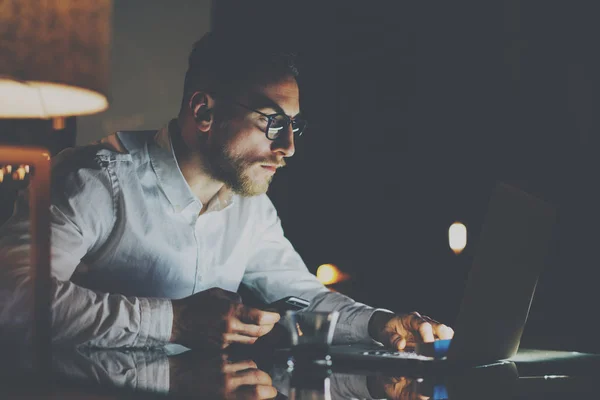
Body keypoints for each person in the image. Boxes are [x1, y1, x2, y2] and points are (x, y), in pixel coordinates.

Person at [0, 32, 453, 350]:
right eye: (273, 122)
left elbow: (304, 297)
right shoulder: (92, 179)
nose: (289, 147)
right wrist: (173, 322)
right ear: (204, 110)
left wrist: (380, 325)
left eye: (295, 126)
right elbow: (14, 299)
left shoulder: (252, 209)